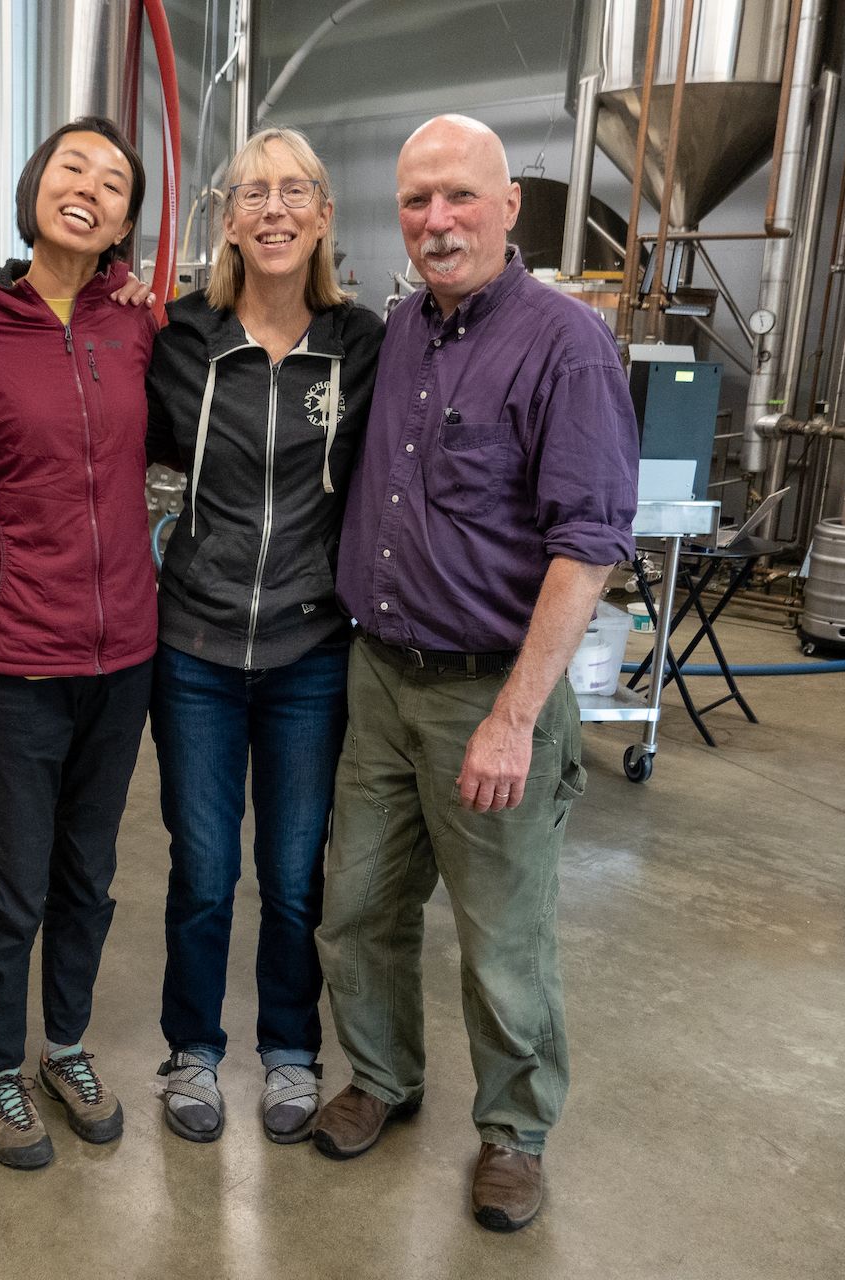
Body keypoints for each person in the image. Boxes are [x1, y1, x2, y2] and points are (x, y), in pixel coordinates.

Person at [311, 114, 637, 1233]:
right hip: (380, 680)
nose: (436, 221)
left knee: (502, 936)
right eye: (415, 201)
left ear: (507, 207)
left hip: (488, 692)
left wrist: (512, 719)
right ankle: (383, 1077)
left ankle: (514, 1130)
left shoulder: (566, 344)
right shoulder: (403, 328)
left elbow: (587, 546)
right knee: (356, 905)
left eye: (458, 197)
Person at [144, 127, 383, 1144]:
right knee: (204, 870)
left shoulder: (364, 341)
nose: (274, 209)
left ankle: (290, 1049)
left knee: (293, 876)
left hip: (310, 654)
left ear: (325, 215)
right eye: (254, 192)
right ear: (227, 216)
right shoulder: (178, 336)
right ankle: (193, 1049)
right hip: (194, 648)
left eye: (295, 192)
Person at [0, 116, 157, 1172]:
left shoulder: (137, 325)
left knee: (89, 872)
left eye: (114, 182)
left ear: (124, 222)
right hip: (11, 659)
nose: (91, 188)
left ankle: (65, 1044)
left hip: (123, 659)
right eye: (74, 166)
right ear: (34, 187)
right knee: (11, 879)